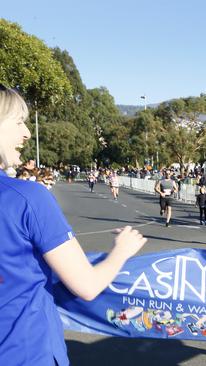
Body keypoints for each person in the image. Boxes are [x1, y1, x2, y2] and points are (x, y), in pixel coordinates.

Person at [0, 85, 147, 365]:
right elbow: (87, 285)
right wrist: (122, 251)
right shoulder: (27, 198)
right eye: (18, 122)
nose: (27, 133)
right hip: (25, 353)